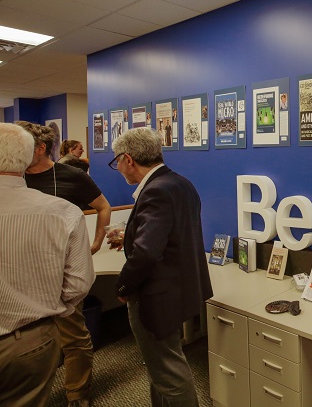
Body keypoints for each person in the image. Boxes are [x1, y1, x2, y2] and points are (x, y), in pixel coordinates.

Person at [108, 128, 213, 406]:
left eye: (116, 161)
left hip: (156, 295)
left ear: (128, 159)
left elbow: (146, 253)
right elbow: (171, 235)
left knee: (167, 371)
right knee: (162, 365)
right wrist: (128, 236)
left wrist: (123, 285)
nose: (117, 167)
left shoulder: (155, 191)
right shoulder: (179, 183)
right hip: (178, 288)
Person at [16, 121, 111, 407]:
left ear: (40, 149)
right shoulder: (11, 178)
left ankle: (78, 395)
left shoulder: (72, 176)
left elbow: (103, 207)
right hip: (24, 271)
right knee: (25, 341)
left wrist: (95, 243)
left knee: (74, 336)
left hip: (62, 271)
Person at [0, 123, 94, 406]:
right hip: (29, 340)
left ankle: (78, 395)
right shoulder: (63, 212)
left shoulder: (71, 178)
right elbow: (78, 285)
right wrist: (53, 309)